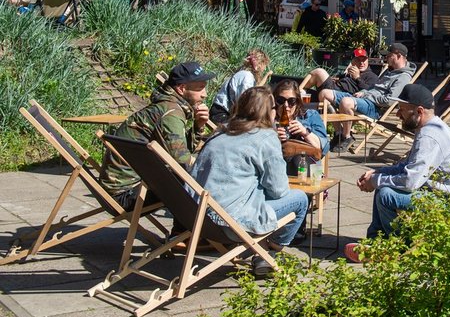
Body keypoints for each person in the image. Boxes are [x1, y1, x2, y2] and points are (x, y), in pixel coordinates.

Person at [345, 83, 450, 257]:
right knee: (382, 189)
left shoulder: (430, 136)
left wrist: (376, 181)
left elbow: (410, 182)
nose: (397, 114)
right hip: (441, 193)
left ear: (419, 111)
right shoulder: (428, 128)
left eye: (402, 109)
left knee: (385, 195)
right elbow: (407, 166)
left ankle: (400, 247)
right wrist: (378, 174)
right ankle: (377, 242)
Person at [189, 86, 309, 278]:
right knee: (300, 199)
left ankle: (261, 252)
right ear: (268, 112)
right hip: (230, 223)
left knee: (255, 188)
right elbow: (279, 191)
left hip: (196, 217)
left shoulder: (219, 134)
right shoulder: (265, 137)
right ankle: (268, 254)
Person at [100, 61, 215, 211]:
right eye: (200, 88)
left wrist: (198, 126)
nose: (205, 94)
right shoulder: (171, 113)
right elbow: (183, 163)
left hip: (116, 190)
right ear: (182, 88)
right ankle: (182, 232)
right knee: (194, 178)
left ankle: (185, 231)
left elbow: (181, 153)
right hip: (125, 196)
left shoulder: (165, 106)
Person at [317, 42, 416, 152]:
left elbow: (389, 102)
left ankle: (347, 137)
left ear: (398, 56)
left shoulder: (403, 77)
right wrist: (364, 92)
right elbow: (374, 88)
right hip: (365, 99)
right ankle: (339, 132)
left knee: (346, 102)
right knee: (324, 94)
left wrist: (367, 95)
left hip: (376, 108)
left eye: (389, 55)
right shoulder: (390, 71)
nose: (386, 58)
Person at [272, 78, 330, 171]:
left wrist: (304, 132)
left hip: (303, 164)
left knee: (298, 161)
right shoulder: (270, 118)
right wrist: (273, 137)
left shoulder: (309, 115)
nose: (286, 105)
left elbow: (323, 148)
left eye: (291, 101)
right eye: (281, 100)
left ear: (297, 101)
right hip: (275, 164)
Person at [210, 49, 271, 124]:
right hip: (221, 114)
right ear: (259, 64)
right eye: (264, 65)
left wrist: (266, 76)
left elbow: (254, 90)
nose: (264, 69)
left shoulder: (244, 74)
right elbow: (244, 103)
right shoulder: (246, 76)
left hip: (223, 113)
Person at [299, 47, 378, 95]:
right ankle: (301, 91)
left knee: (319, 72)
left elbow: (369, 92)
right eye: (358, 60)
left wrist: (357, 78)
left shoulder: (372, 76)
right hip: (335, 88)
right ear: (353, 61)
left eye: (364, 60)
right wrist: (338, 78)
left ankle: (299, 90)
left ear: (368, 60)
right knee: (312, 86)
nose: (361, 63)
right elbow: (341, 79)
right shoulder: (351, 71)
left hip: (342, 94)